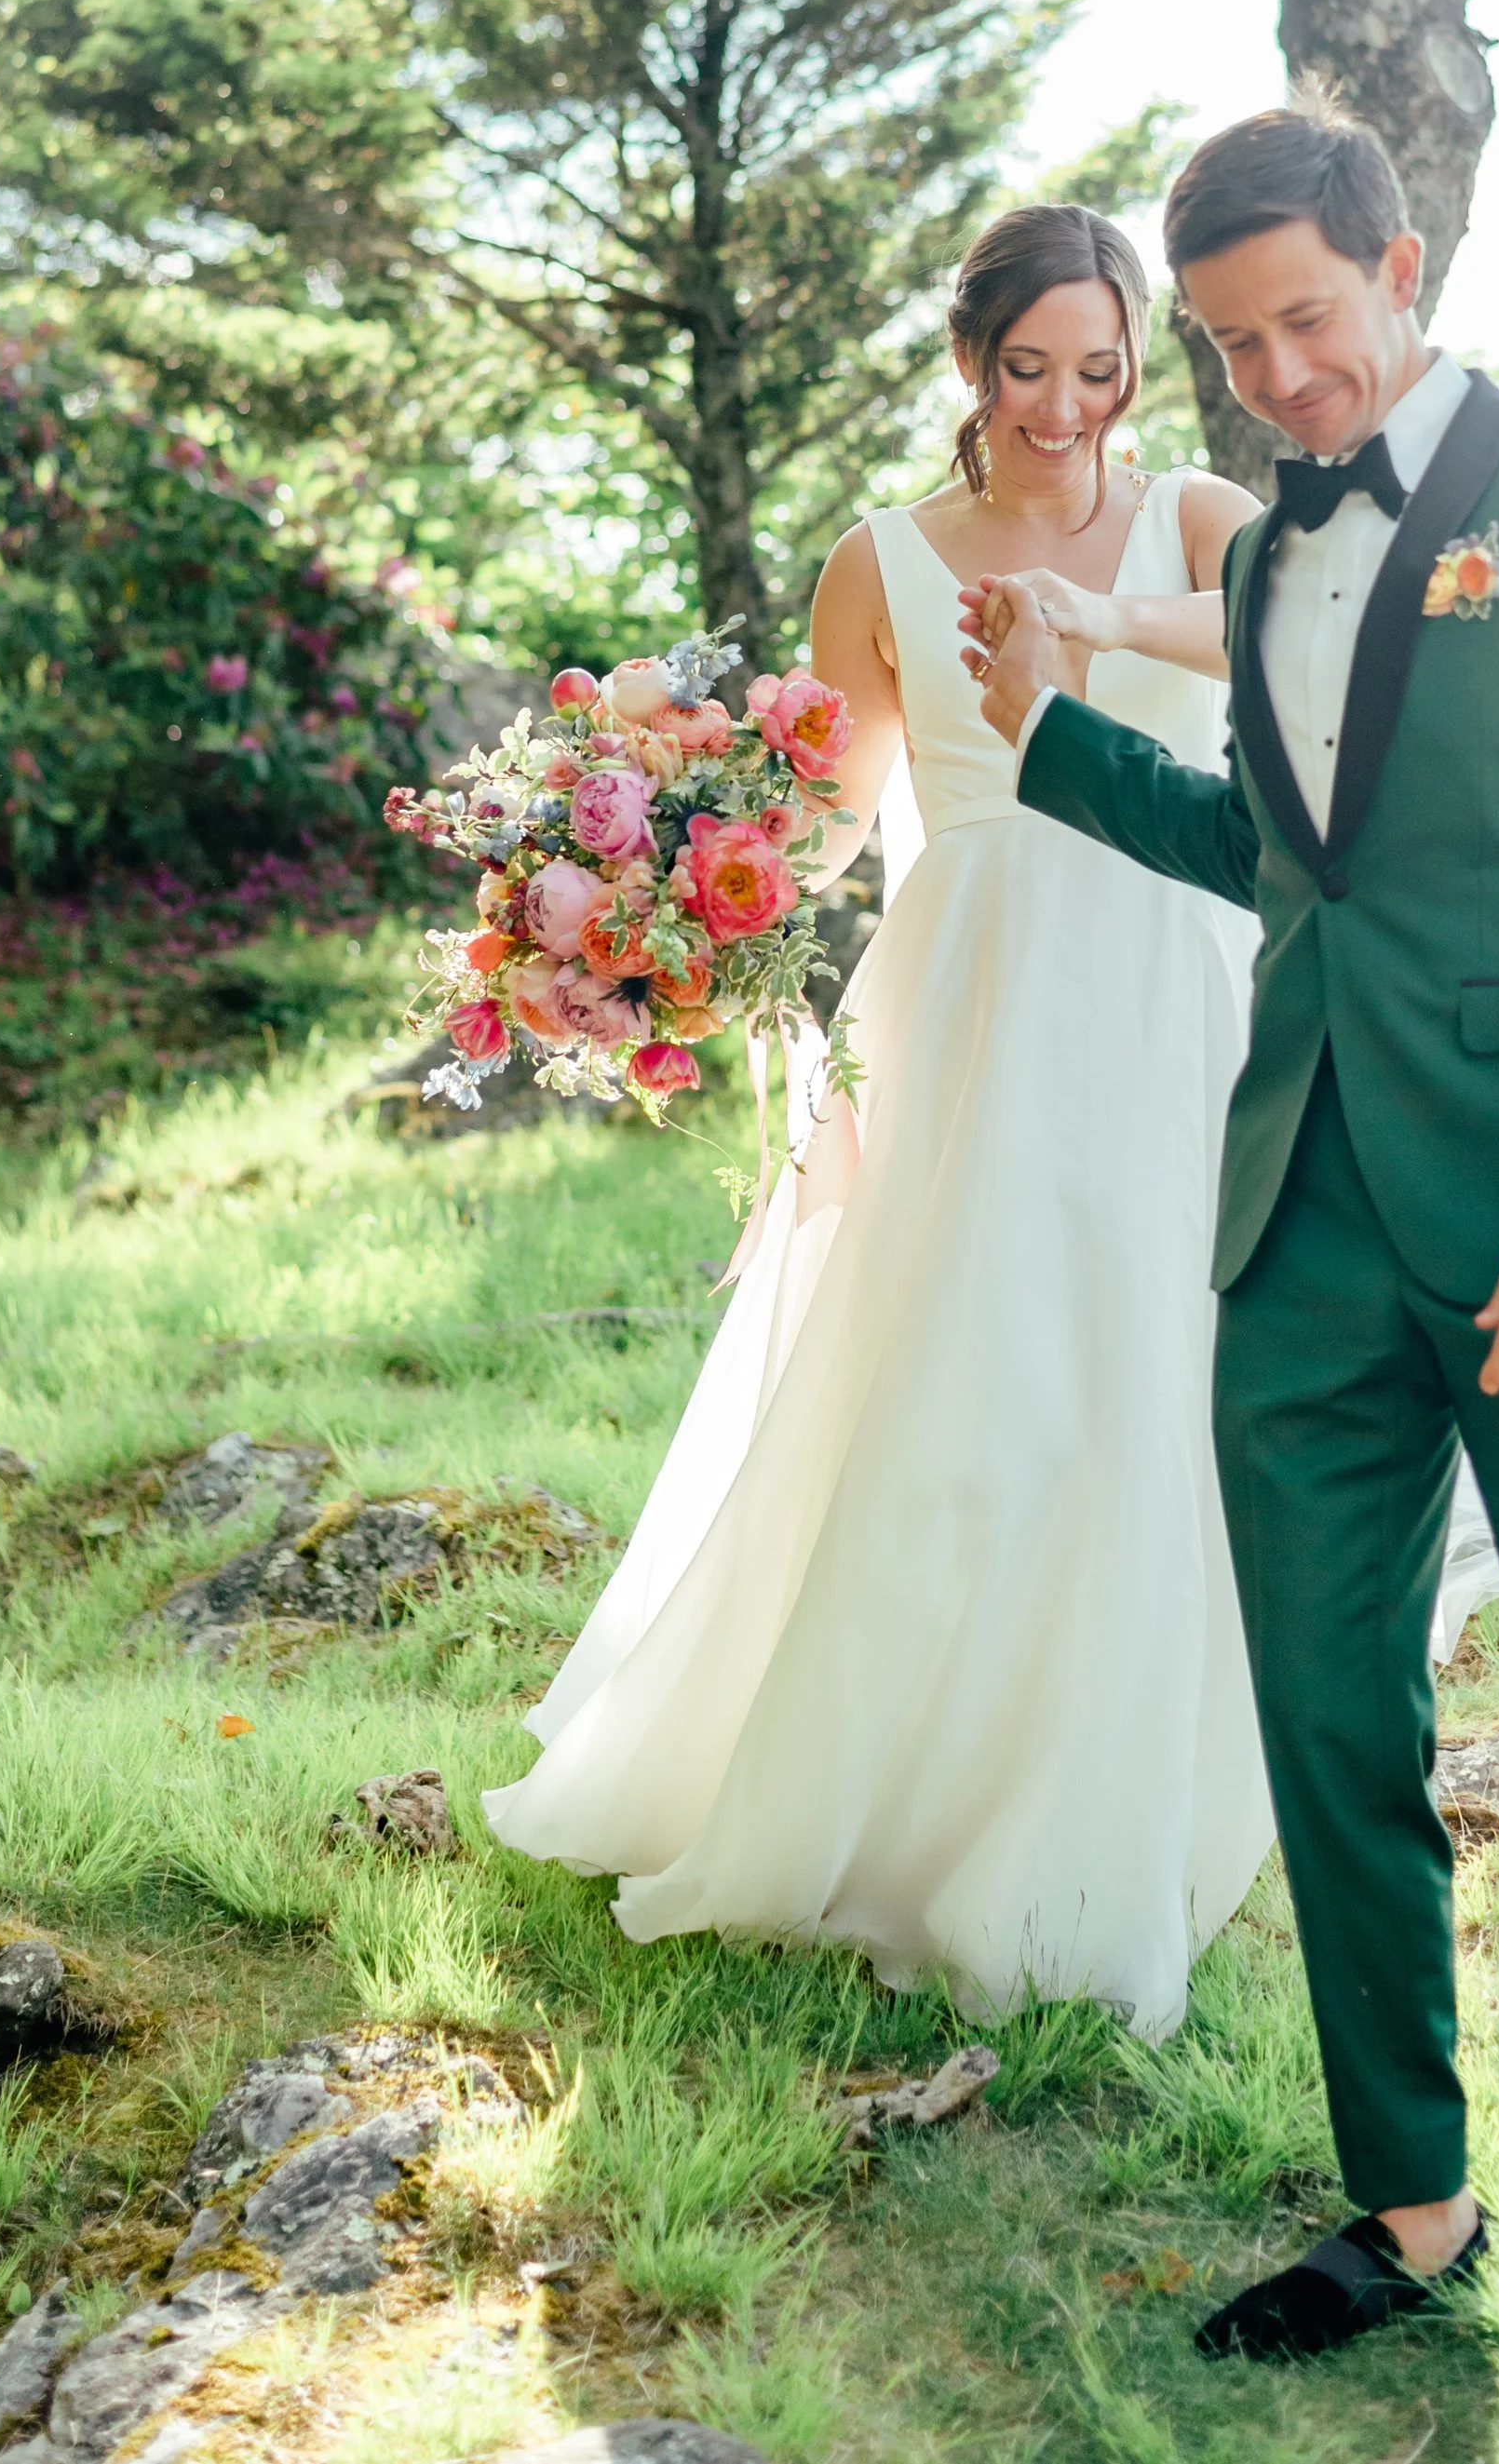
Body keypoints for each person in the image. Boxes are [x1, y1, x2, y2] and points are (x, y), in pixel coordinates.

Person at [963, 97, 1499, 2435]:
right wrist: (1044, 740)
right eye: (1233, 349)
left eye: (1305, 323)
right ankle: (1411, 2207)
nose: (1279, 380)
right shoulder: (1267, 558)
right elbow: (1292, 866)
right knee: (1328, 1723)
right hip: (1300, 1230)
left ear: (1402, 266)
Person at [481, 202, 1275, 2040]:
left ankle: (1114, 1800)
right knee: (974, 1388)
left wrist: (1099, 620)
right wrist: (653, 894)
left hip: (1181, 991)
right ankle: (907, 1802)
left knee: (1159, 1382)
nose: (1062, 408)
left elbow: (1292, 658)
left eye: (1099, 370)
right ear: (969, 363)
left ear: (1136, 366)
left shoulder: (1202, 522)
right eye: (1027, 368)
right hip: (974, 995)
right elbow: (830, 831)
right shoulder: (883, 563)